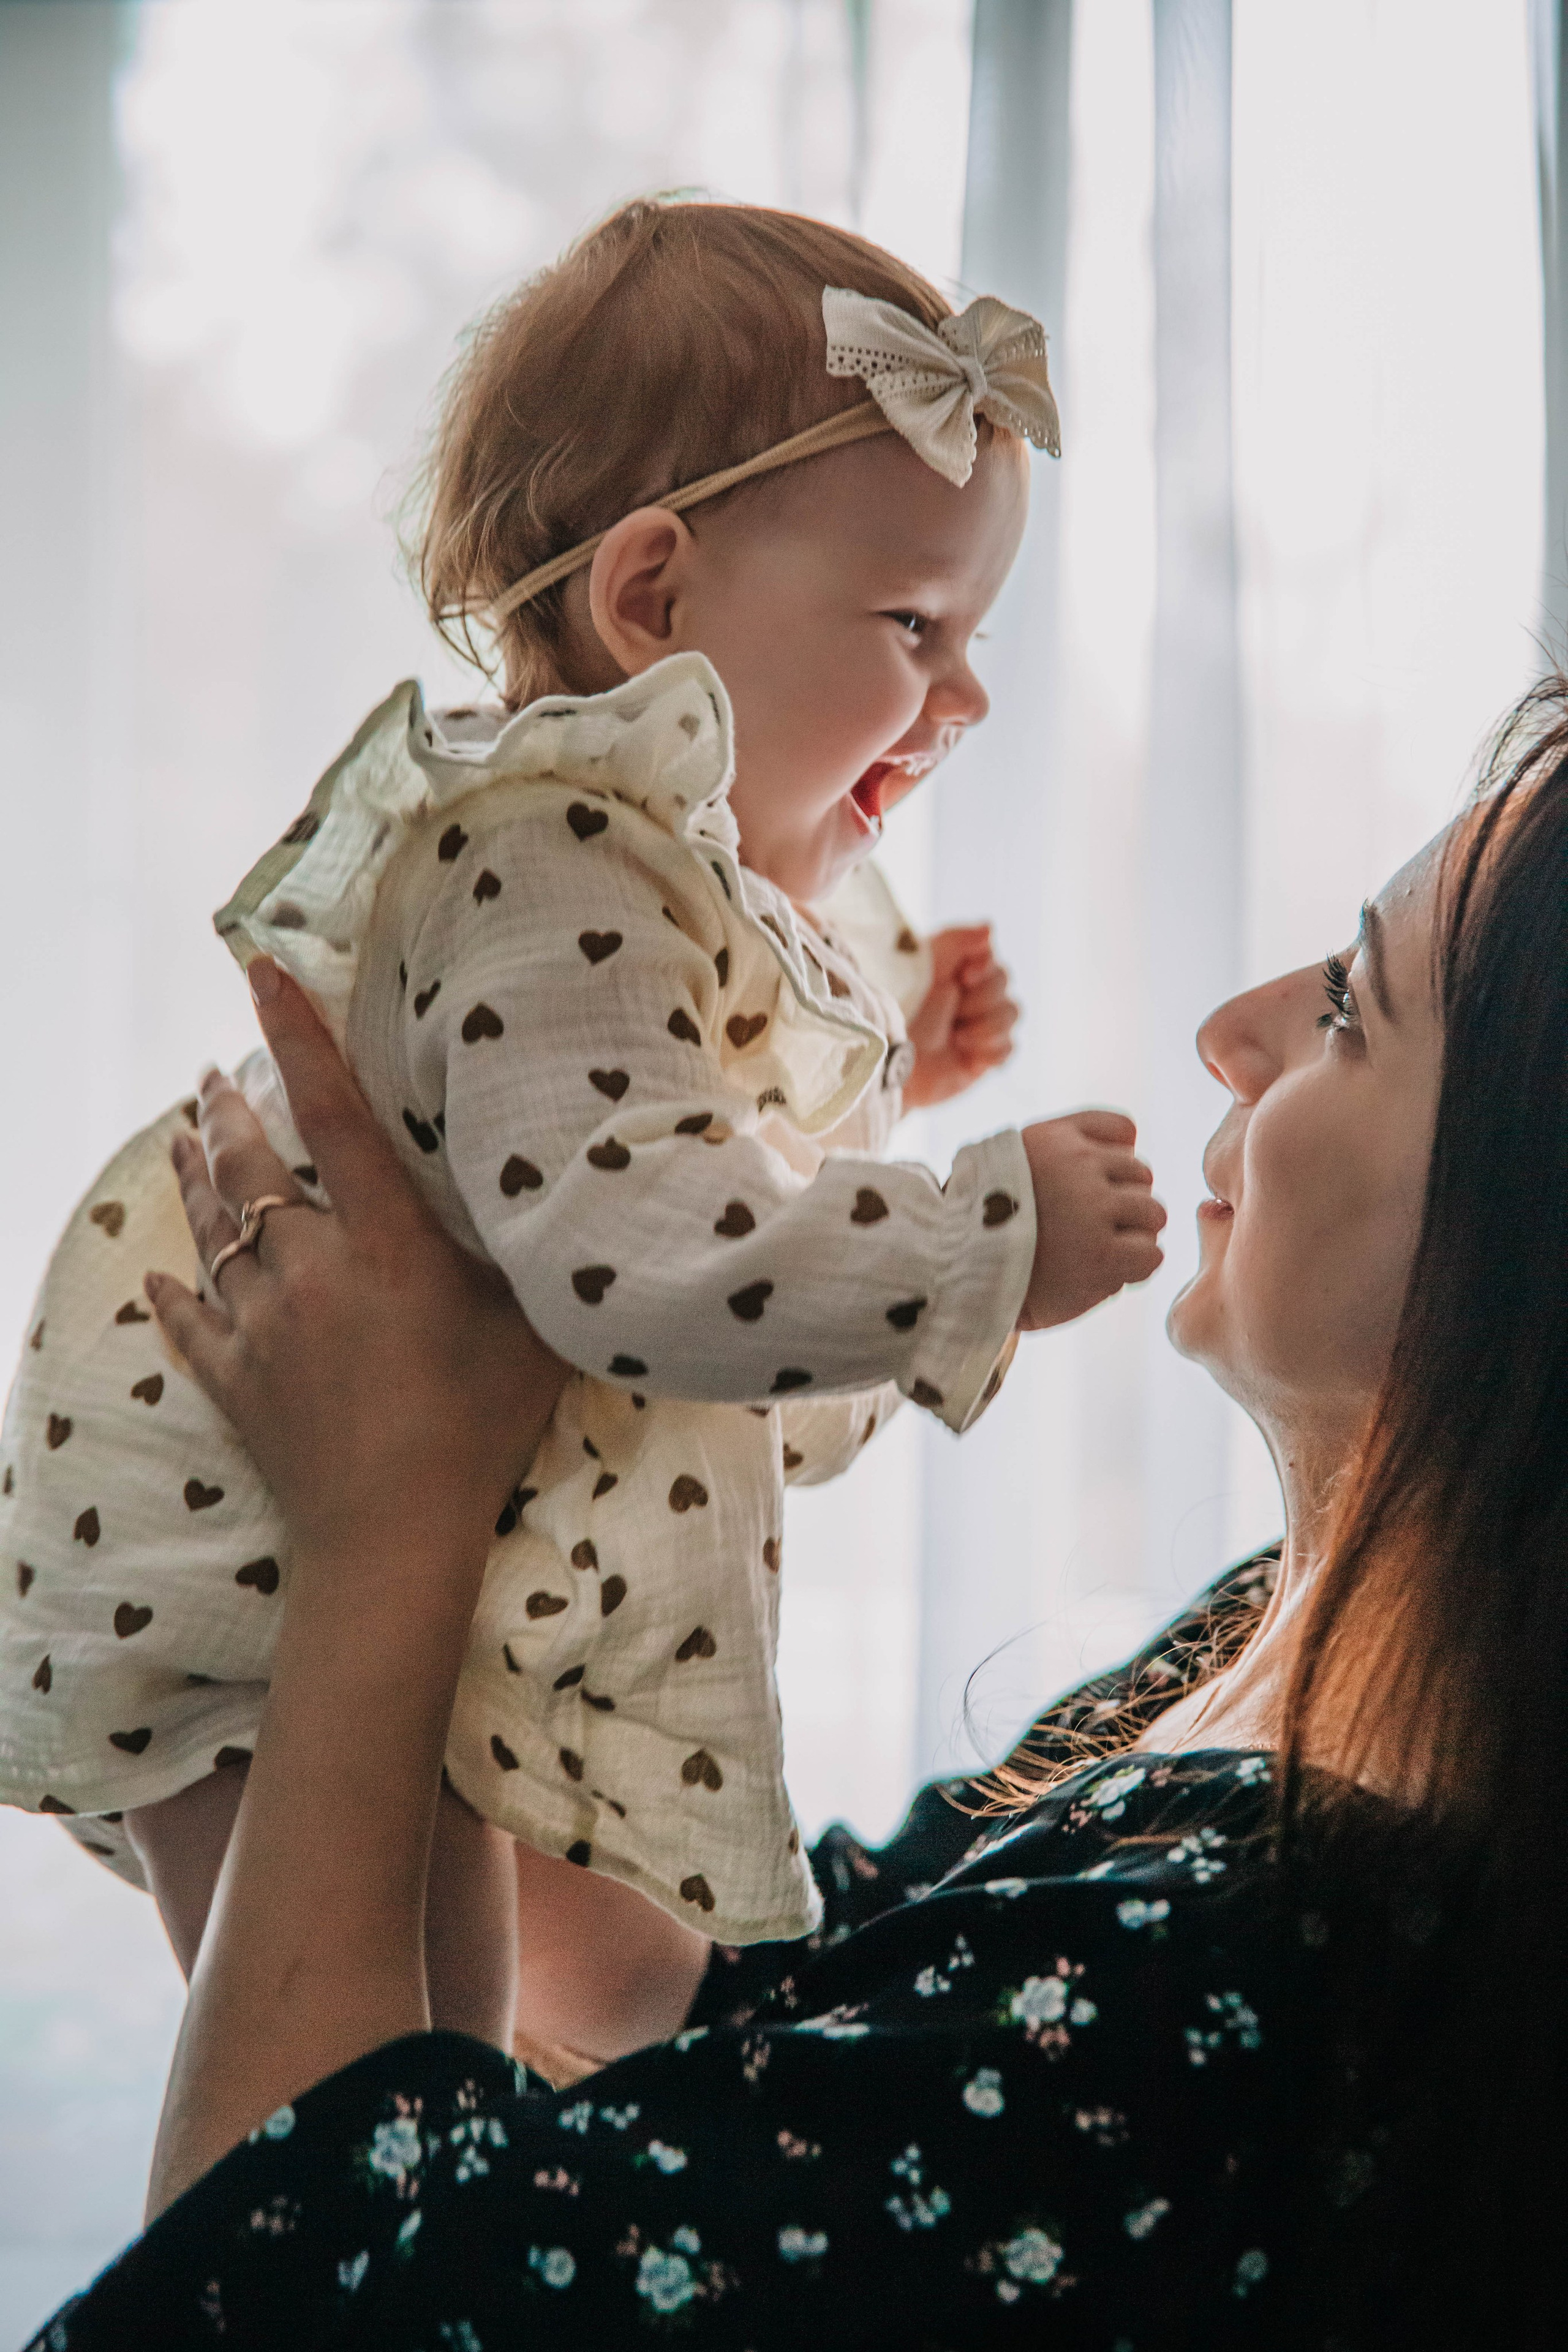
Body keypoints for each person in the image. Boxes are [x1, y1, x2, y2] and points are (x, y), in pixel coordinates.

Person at [28, 680, 1568, 2348]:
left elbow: (274, 2310)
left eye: (1353, 1006)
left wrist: (383, 1537)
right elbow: (741, 2002)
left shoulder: (1253, 1988)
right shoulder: (1247, 1660)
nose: (1236, 1027)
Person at [0, 201, 1167, 2080]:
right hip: (251, 1536)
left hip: (405, 1482)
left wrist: (887, 1073)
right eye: (913, 624)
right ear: (652, 599)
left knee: (623, 1980)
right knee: (412, 2064)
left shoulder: (635, 860)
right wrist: (983, 1238)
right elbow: (646, 1257)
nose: (961, 696)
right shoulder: (547, 857)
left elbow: (653, 1111)